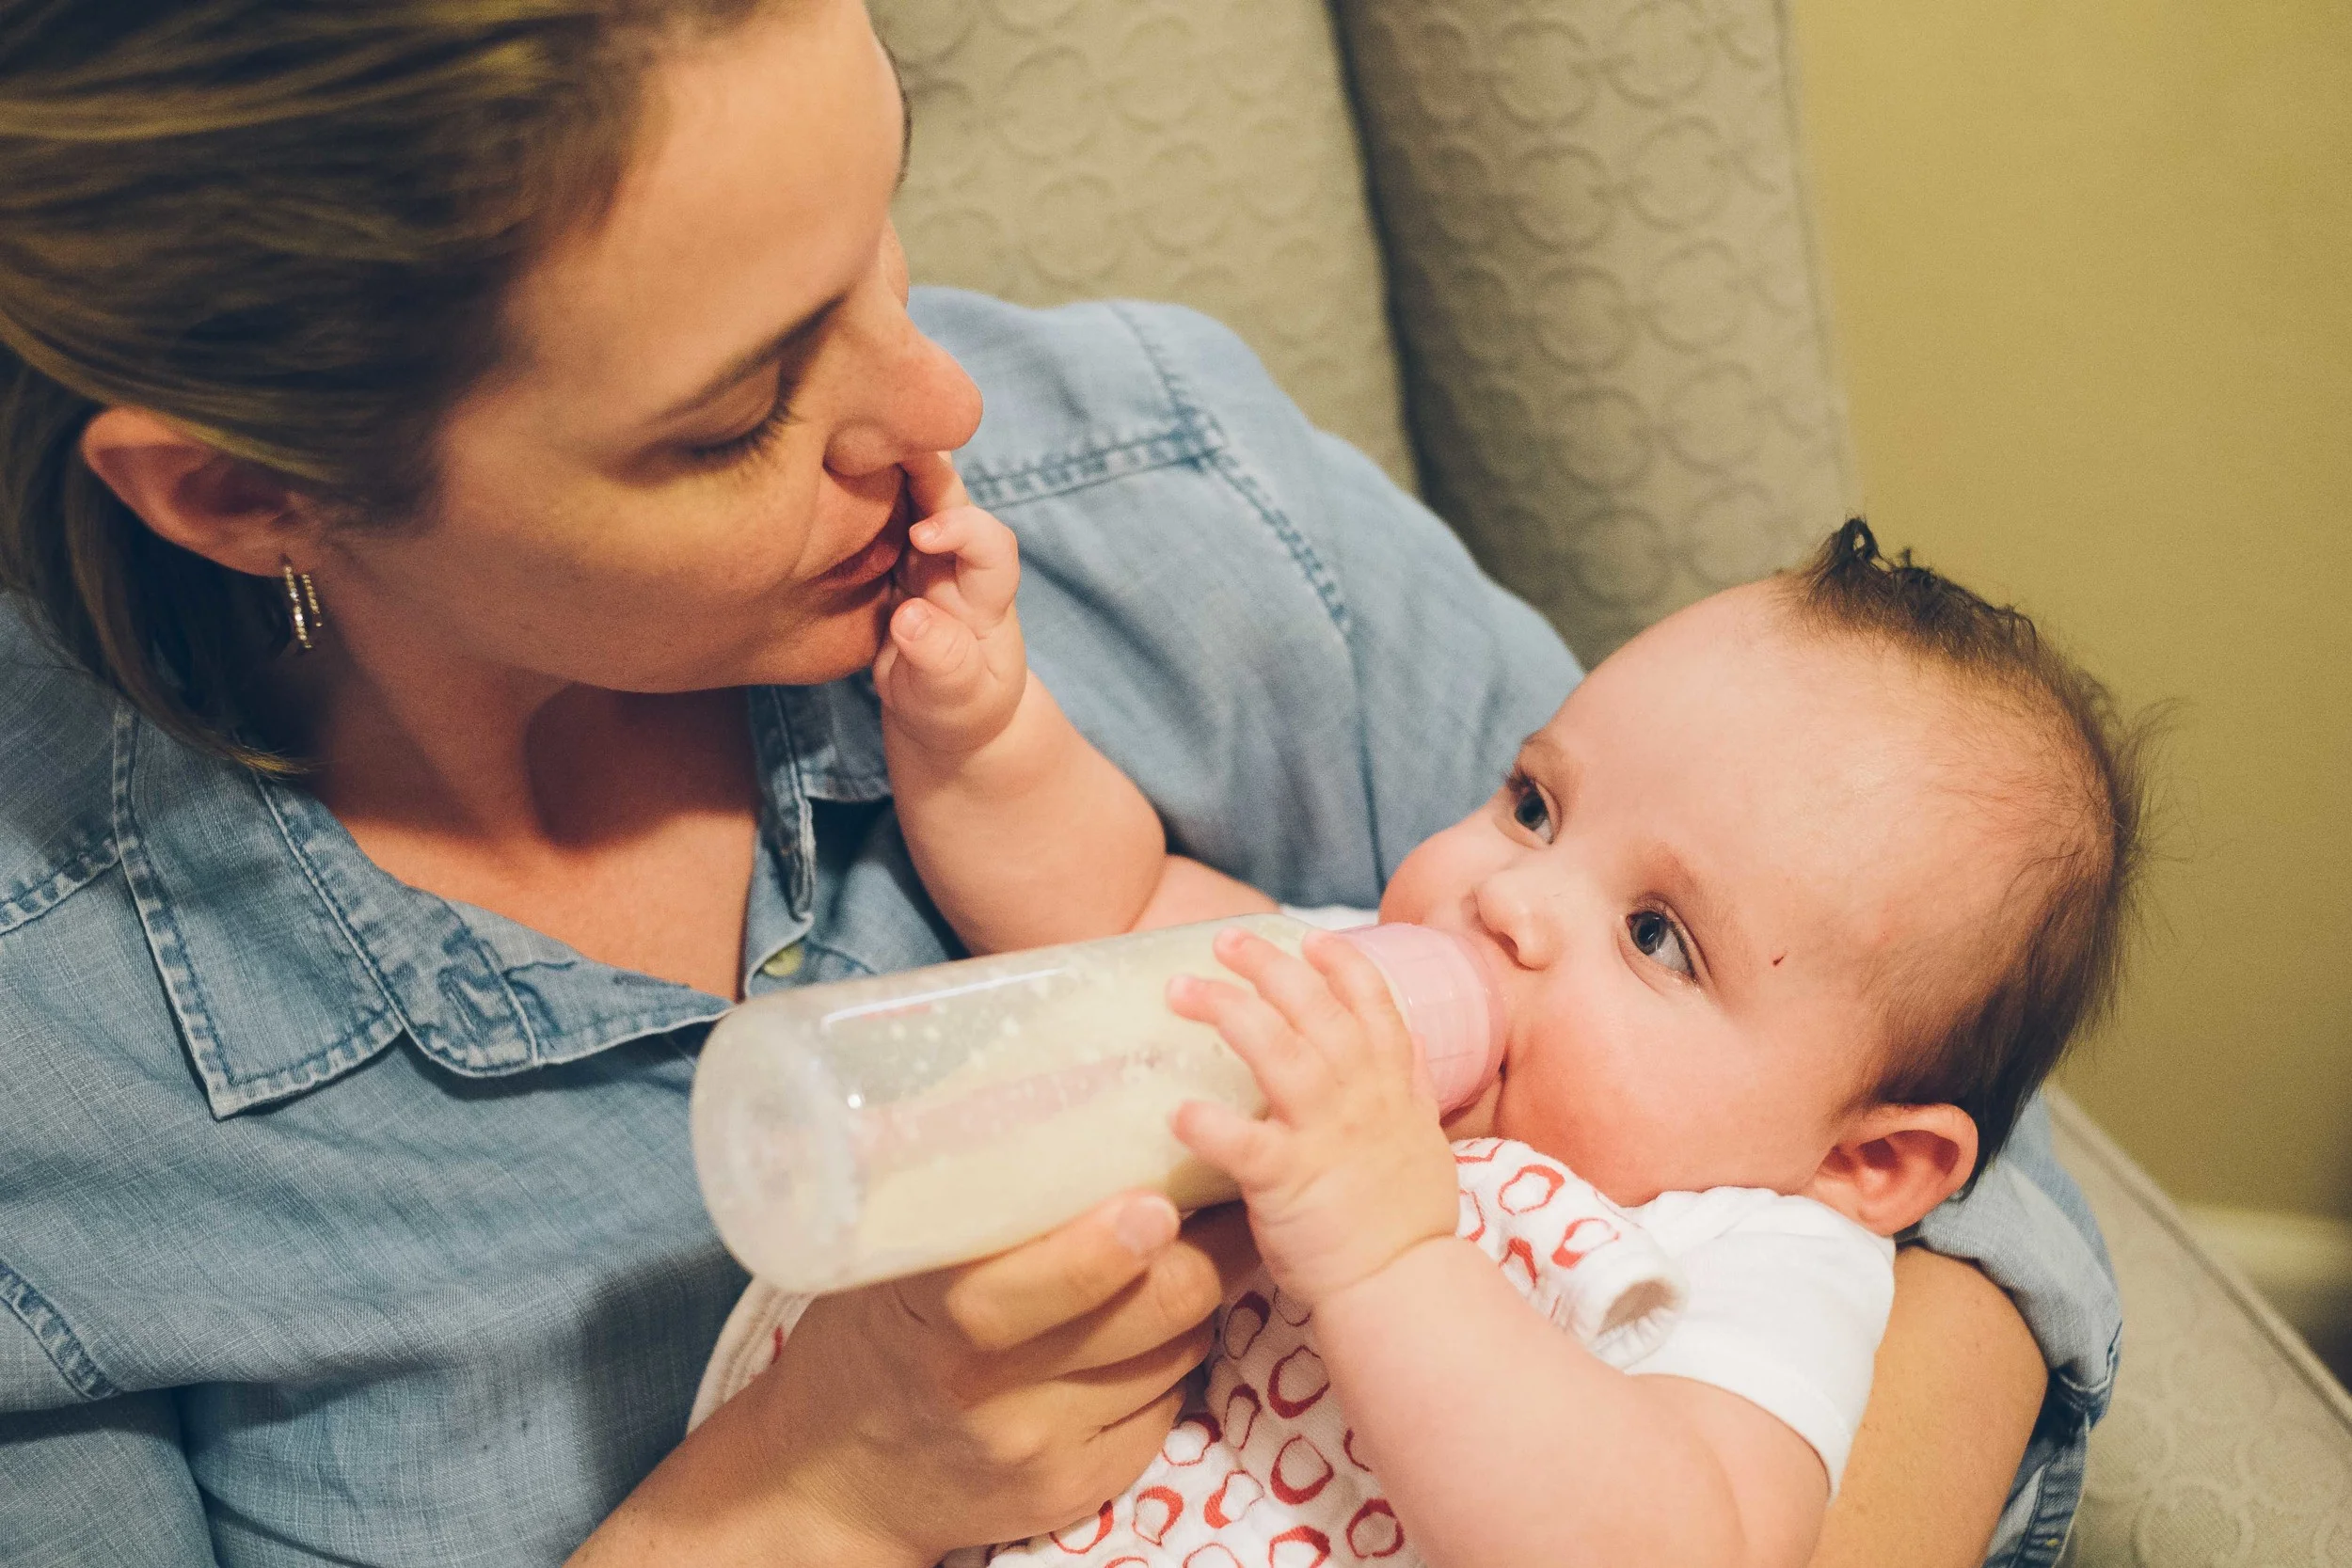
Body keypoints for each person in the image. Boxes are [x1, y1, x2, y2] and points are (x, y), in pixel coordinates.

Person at [0, 3, 2114, 1565]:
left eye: (883, 223)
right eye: (741, 408)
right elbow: (1099, 894)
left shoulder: (1163, 483)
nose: (947, 404)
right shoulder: (55, 1083)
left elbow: (1924, 1115)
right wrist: (801, 1498)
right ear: (244, 491)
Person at [696, 520, 2151, 1567]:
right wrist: (986, 734)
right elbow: (1114, 900)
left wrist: (1393, 1258)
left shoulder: (1757, 1254)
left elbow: (1683, 1544)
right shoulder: (1354, 990)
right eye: (1535, 804)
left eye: (1658, 935)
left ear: (1871, 1156)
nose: (1509, 899)